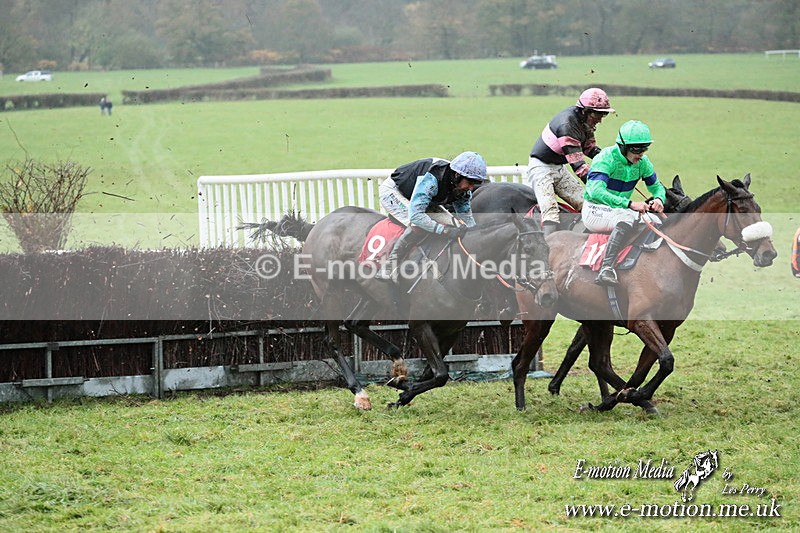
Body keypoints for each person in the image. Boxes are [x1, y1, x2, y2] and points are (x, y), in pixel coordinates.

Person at [376, 151, 488, 280]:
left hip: (423, 197)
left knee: (456, 224)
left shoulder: (461, 187)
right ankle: (389, 267)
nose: (470, 187)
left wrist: (474, 234)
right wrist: (443, 230)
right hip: (394, 193)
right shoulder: (432, 180)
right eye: (470, 182)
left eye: (475, 183)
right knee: (419, 225)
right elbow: (416, 216)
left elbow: (466, 218)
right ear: (457, 175)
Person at [582, 120, 666, 286]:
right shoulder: (605, 158)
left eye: (644, 148)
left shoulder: (643, 163)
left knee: (655, 221)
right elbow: (595, 191)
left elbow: (657, 186)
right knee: (626, 218)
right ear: (622, 146)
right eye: (636, 149)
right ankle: (606, 268)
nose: (641, 154)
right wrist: (629, 204)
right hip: (595, 210)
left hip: (621, 210)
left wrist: (659, 198)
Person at [527, 88, 615, 237]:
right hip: (541, 168)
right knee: (550, 211)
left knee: (587, 203)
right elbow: (580, 168)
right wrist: (601, 184)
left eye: (603, 114)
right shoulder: (567, 124)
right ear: (584, 111)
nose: (600, 119)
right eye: (597, 114)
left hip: (558, 168)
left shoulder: (585, 123)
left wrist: (611, 161)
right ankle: (547, 247)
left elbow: (590, 149)